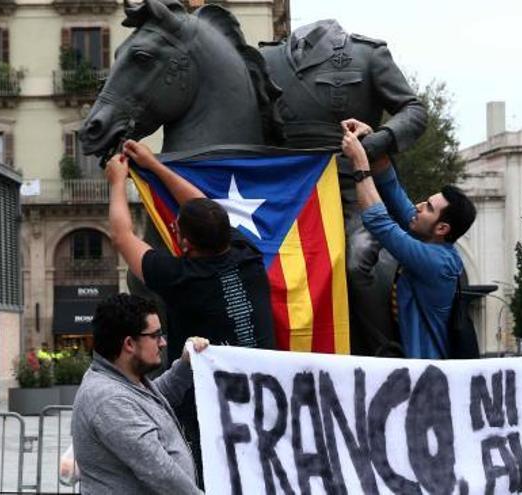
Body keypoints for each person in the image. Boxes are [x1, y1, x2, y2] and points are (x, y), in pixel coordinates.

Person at [105, 141, 275, 484]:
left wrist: (116, 181)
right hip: (261, 402)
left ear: (183, 243)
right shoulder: (250, 256)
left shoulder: (180, 277)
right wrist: (155, 166)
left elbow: (121, 236)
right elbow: (207, 208)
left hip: (204, 414)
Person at [260, 20, 427, 357]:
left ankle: (384, 350)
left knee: (356, 262)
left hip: (349, 187)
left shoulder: (367, 55)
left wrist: (374, 144)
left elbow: (414, 110)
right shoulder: (267, 58)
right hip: (287, 190)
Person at [340, 119, 476, 359]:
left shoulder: (438, 262)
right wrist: (372, 140)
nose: (419, 206)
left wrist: (360, 163)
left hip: (423, 375)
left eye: (429, 207)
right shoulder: (427, 235)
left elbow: (379, 222)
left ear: (442, 228)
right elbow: (391, 188)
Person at [72, 294, 209, 495]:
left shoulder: (124, 381)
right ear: (129, 344)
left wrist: (186, 364)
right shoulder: (109, 399)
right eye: (155, 335)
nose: (162, 343)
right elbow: (161, 472)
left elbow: (153, 400)